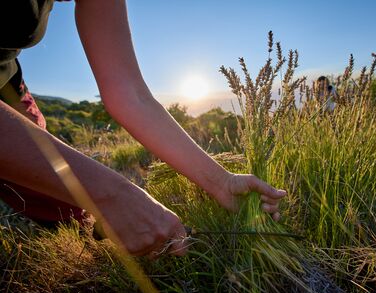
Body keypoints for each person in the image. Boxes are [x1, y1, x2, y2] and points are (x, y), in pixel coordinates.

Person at [0, 0, 286, 257]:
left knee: (60, 200)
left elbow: (131, 96)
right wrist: (112, 193)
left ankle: (81, 233)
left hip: (8, 83)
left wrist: (220, 182)